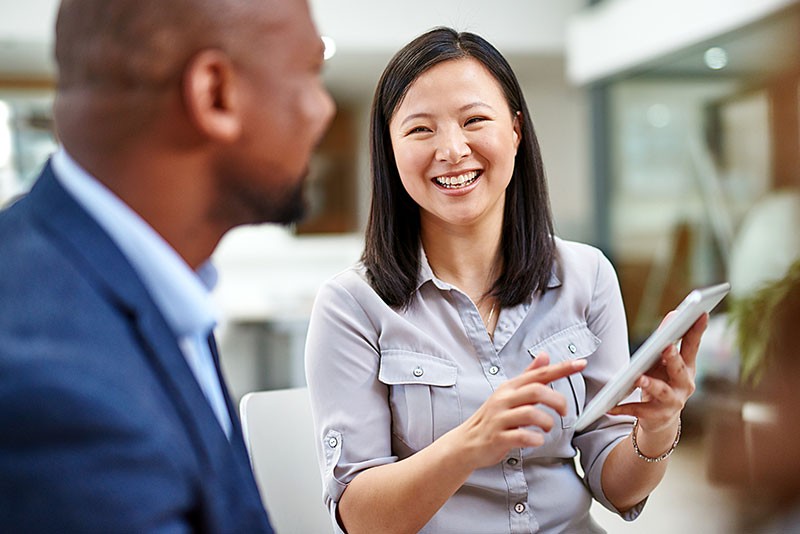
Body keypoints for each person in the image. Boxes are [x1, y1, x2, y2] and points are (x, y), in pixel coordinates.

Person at [305, 27, 706, 533]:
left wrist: (657, 424)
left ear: (515, 131)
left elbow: (616, 485)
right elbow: (362, 518)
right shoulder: (351, 305)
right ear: (389, 148)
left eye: (474, 120)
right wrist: (471, 442)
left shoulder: (587, 276)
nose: (452, 149)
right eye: (420, 129)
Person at [0, 0, 334, 532]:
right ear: (215, 94)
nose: (324, 110)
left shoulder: (126, 282)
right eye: (312, 74)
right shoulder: (58, 390)